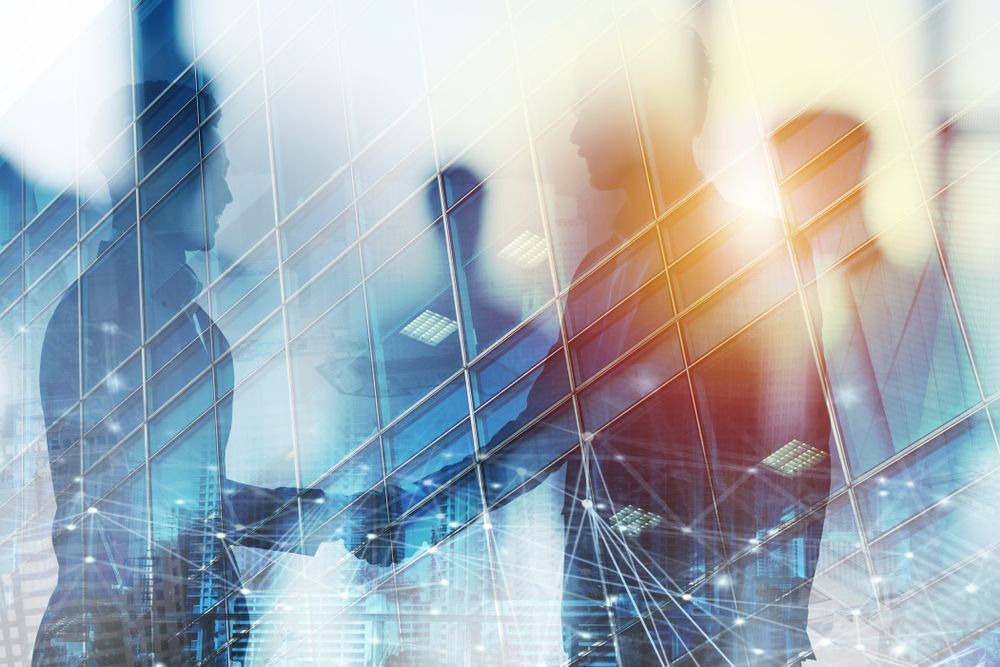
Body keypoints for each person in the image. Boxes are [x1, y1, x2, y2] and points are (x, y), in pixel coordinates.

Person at [407, 27, 836, 666]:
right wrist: (418, 508)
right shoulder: (600, 271)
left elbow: (798, 449)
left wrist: (777, 617)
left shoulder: (758, 258)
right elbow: (544, 429)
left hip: (708, 622)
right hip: (607, 614)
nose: (576, 134)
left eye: (591, 110)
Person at [33, 81, 388, 667]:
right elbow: (153, 500)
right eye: (214, 169)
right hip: (126, 639)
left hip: (169, 632)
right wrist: (331, 518)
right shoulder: (108, 315)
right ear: (168, 174)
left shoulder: (190, 327)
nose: (225, 193)